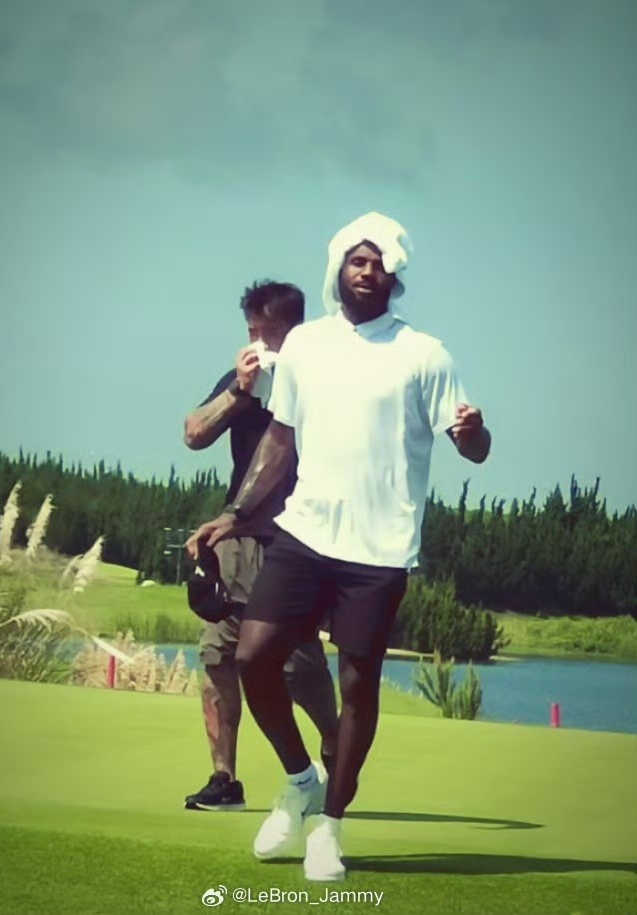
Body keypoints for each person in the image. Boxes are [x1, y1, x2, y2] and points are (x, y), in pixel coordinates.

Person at [187, 212, 491, 879]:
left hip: (379, 549)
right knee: (253, 656)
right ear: (338, 268)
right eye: (357, 260)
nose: (367, 270)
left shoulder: (425, 354)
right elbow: (279, 440)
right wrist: (234, 514)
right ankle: (300, 779)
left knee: (357, 682)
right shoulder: (306, 345)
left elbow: (474, 448)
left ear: (394, 275)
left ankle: (331, 825)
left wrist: (473, 433)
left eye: (379, 262)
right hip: (305, 532)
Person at [183, 279, 338, 813]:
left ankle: (335, 745)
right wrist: (240, 391)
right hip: (236, 538)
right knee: (217, 656)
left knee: (295, 664)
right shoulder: (243, 380)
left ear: (294, 331)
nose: (257, 343)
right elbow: (193, 433)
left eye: (266, 333)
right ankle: (223, 779)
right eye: (251, 331)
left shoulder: (321, 380)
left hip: (298, 540)